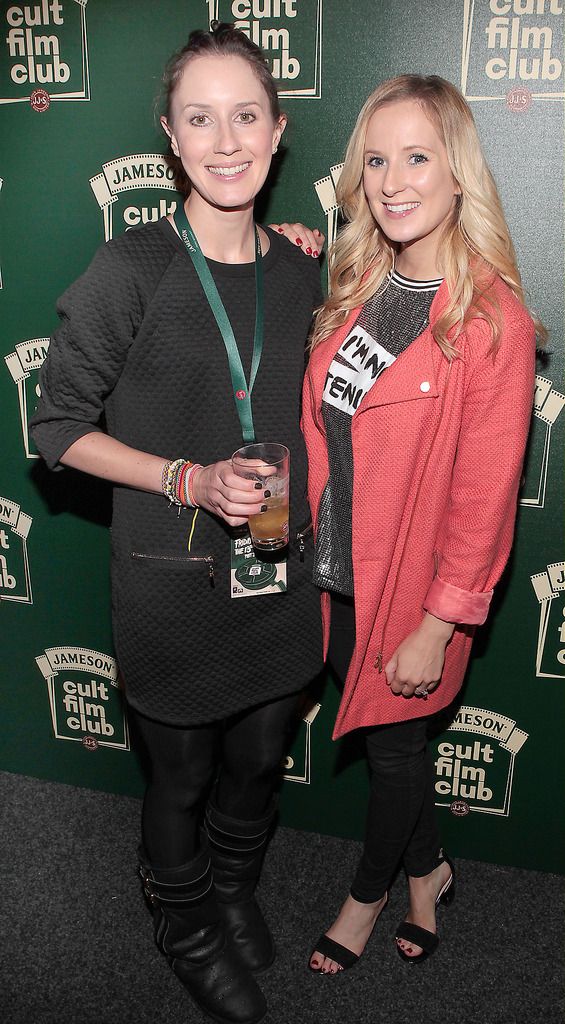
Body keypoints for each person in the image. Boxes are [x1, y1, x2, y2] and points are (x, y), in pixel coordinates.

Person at [31, 23, 324, 1024]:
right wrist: (185, 478)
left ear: (278, 132)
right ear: (169, 135)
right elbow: (56, 427)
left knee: (259, 753)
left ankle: (234, 887)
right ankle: (185, 920)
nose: (226, 139)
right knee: (185, 770)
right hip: (168, 580)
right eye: (200, 118)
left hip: (279, 574)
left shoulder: (300, 272)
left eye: (246, 115)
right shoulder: (129, 267)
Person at [300, 74, 539, 973]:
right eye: (374, 160)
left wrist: (440, 624)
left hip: (407, 592)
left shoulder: (489, 323)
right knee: (399, 751)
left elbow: (483, 500)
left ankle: (368, 897)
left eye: (415, 157)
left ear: (457, 174)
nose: (392, 180)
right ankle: (430, 869)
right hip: (331, 578)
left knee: (395, 754)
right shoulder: (357, 284)